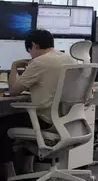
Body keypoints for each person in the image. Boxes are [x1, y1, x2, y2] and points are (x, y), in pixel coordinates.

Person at [2, 29, 76, 179]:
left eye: (30, 51)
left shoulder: (39, 62)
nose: (30, 56)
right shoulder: (69, 59)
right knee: (26, 117)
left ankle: (10, 174)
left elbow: (14, 91)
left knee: (2, 124)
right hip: (67, 119)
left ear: (34, 45)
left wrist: (14, 66)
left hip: (46, 119)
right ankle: (28, 168)